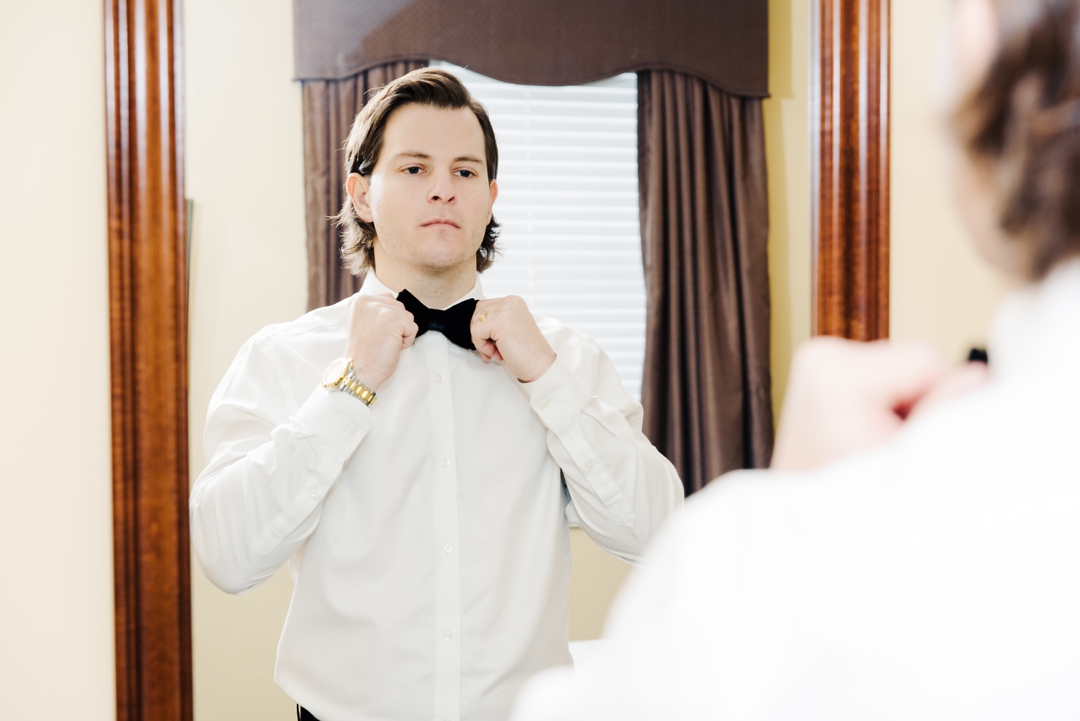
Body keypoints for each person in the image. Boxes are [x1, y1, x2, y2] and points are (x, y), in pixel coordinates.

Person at [510, 0, 1080, 718]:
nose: (443, 189)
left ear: (980, 49)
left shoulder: (790, 573)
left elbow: (644, 525)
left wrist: (782, 532)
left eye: (466, 170)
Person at [188, 68, 684, 721]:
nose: (445, 189)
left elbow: (656, 531)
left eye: (466, 171)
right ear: (362, 194)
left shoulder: (567, 359)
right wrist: (350, 385)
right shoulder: (284, 358)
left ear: (491, 196)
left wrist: (546, 380)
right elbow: (227, 552)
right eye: (416, 169)